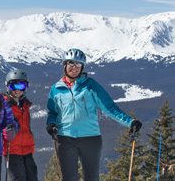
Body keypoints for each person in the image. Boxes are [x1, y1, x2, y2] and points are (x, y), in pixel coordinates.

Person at [46, 48, 142, 181]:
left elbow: (109, 106)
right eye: (71, 64)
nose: (74, 67)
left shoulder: (90, 85)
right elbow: (53, 112)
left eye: (78, 64)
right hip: (65, 138)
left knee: (91, 178)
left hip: (90, 138)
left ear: (82, 67)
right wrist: (51, 123)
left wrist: (129, 121)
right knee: (69, 178)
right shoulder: (56, 89)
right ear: (65, 65)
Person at [2, 69, 38, 181]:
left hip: (27, 149)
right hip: (12, 149)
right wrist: (5, 131)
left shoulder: (25, 105)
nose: (17, 90)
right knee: (19, 178)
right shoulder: (3, 104)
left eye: (21, 86)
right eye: (13, 86)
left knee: (32, 177)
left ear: (26, 87)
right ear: (8, 87)